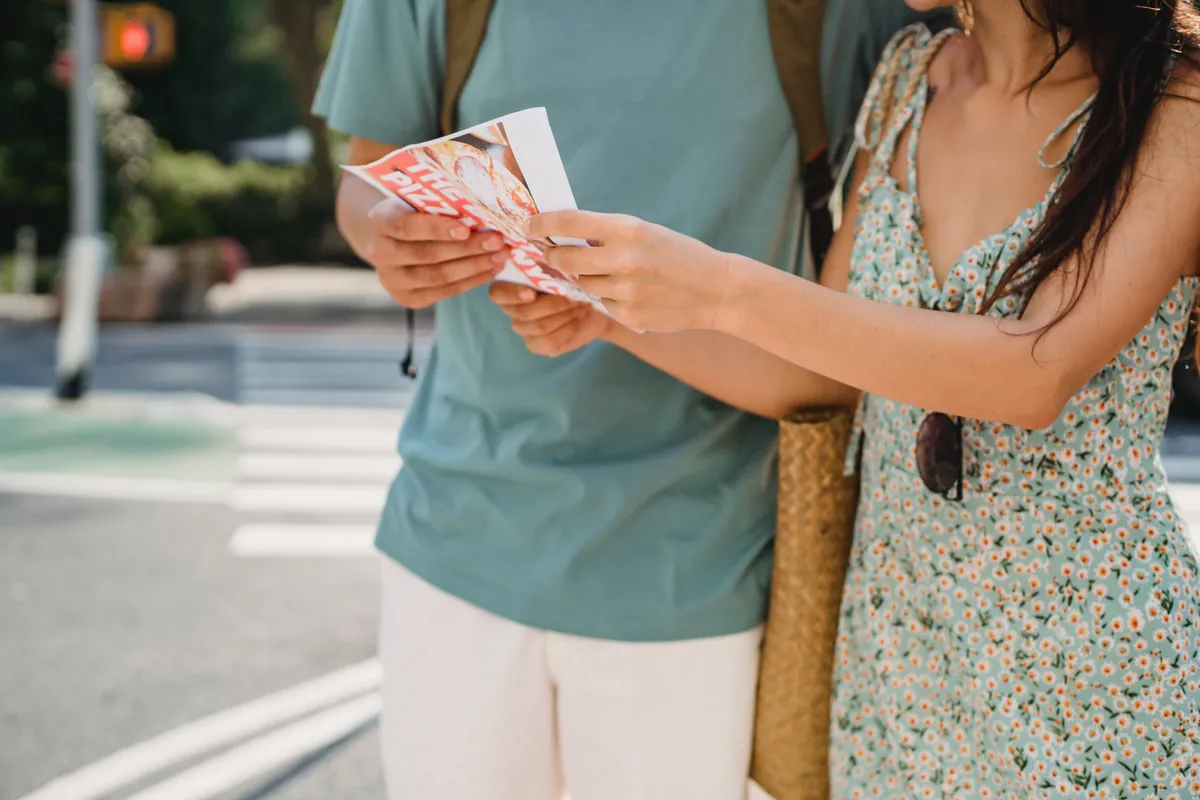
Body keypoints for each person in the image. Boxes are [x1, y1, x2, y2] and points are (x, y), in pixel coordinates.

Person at [494, 0, 1200, 796]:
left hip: (1094, 679)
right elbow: (823, 380)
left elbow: (1032, 374)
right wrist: (612, 316)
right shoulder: (906, 78)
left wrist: (721, 287)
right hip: (897, 672)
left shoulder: (1176, 103)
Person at [313, 1, 931, 798]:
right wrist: (390, 235)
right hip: (456, 538)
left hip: (698, 563)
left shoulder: (852, 12)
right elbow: (366, 179)